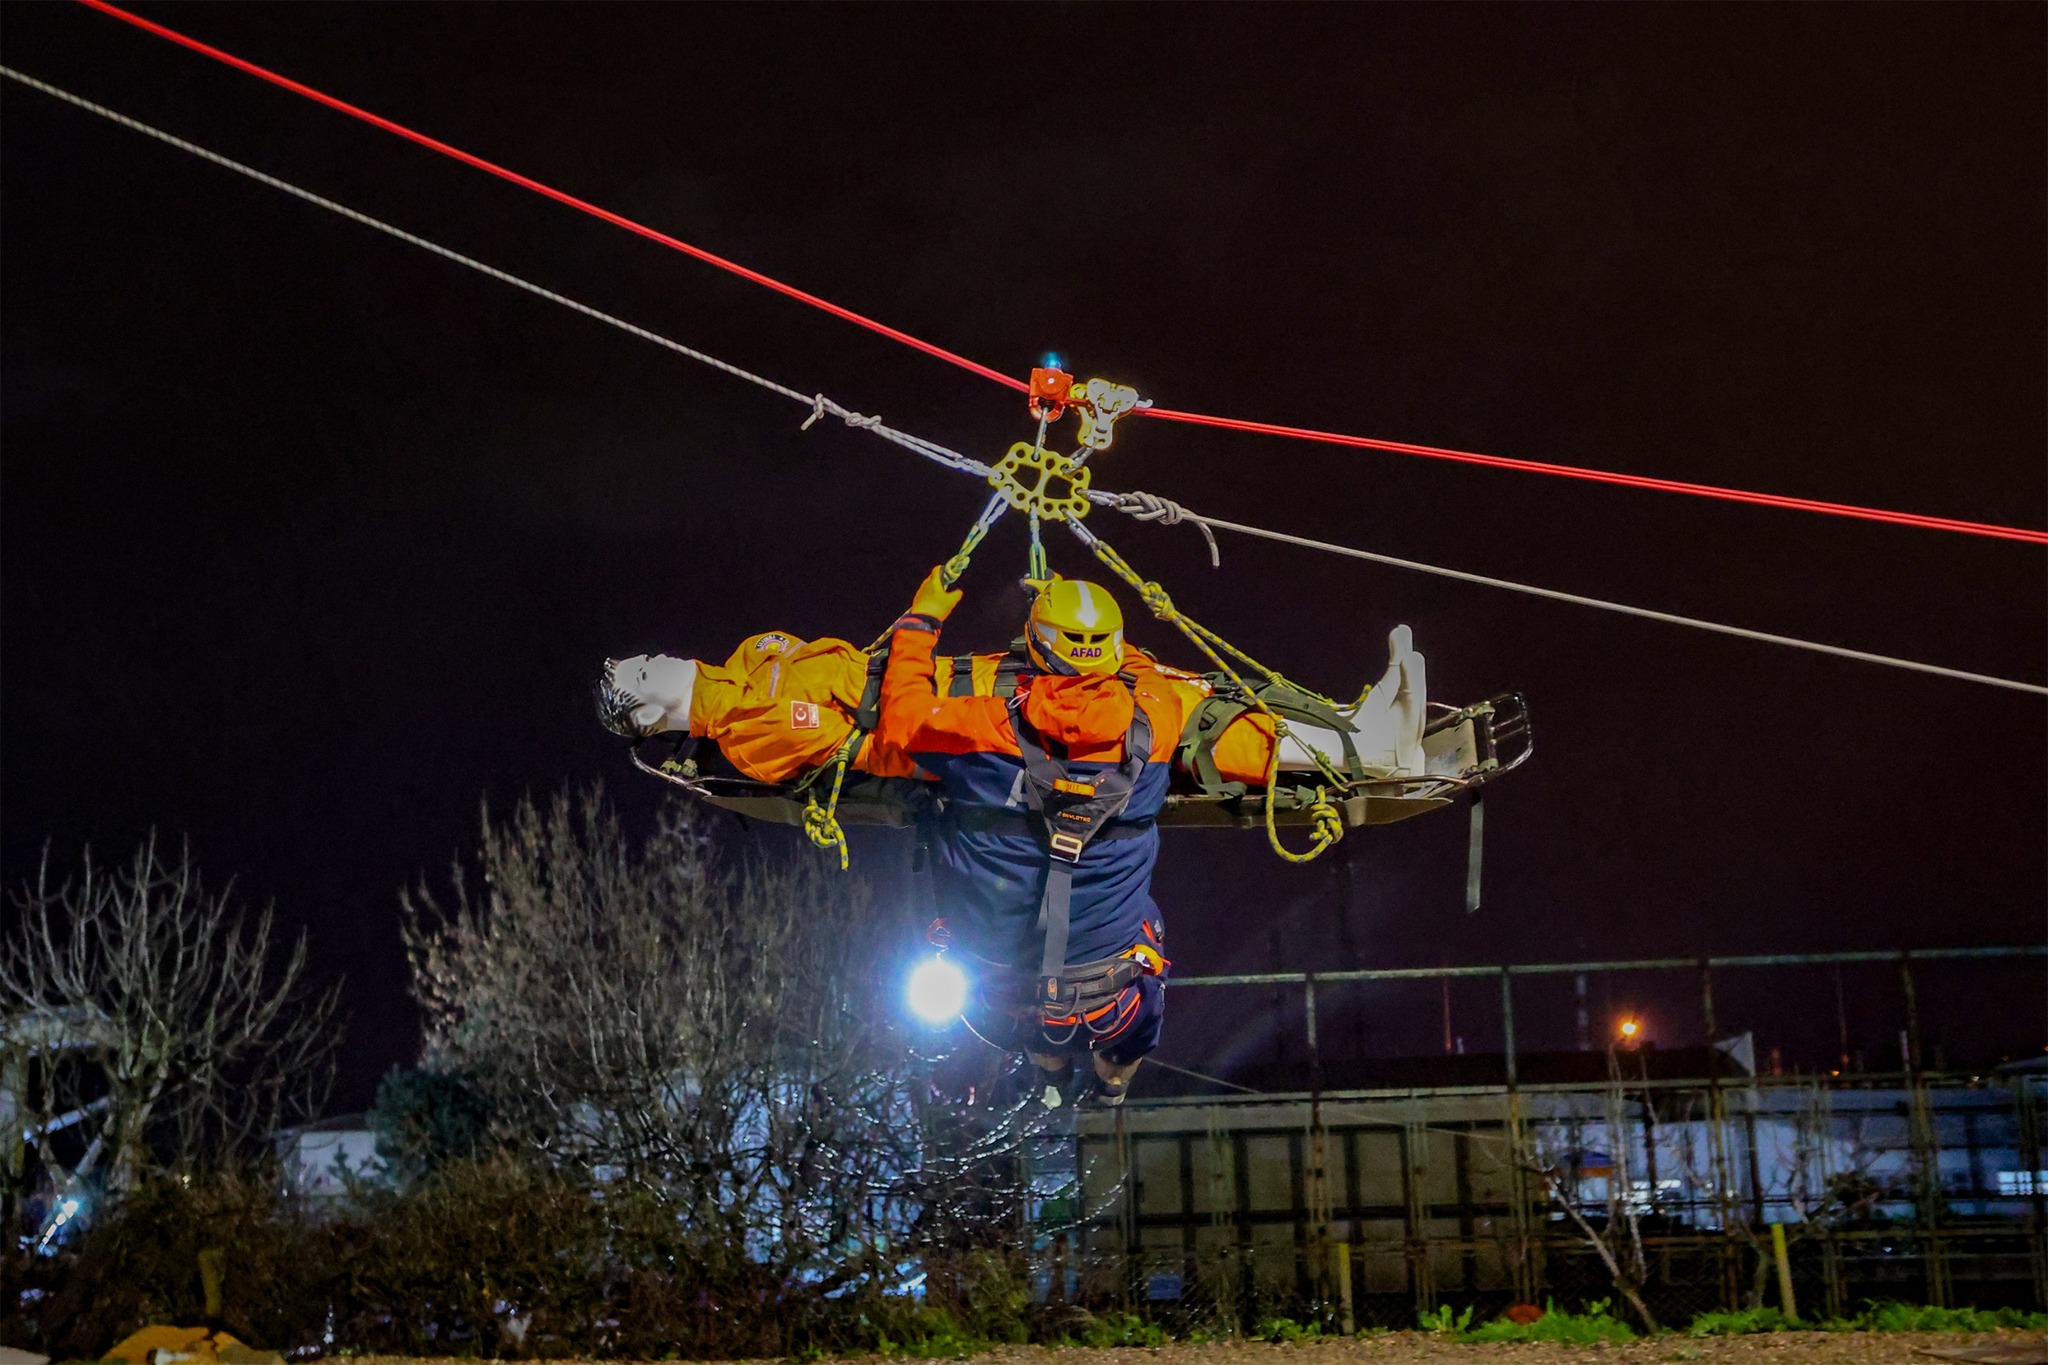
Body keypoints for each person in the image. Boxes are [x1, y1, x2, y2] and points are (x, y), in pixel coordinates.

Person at [870, 568, 1193, 1104]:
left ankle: (1050, 1075)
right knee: (1145, 920)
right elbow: (1139, 670)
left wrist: (920, 621)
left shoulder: (978, 727)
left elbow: (900, 718)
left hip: (992, 1000)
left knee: (1032, 974)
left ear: (1035, 645)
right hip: (1112, 999)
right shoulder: (1159, 719)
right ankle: (1112, 1084)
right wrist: (1086, 627)